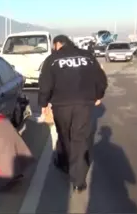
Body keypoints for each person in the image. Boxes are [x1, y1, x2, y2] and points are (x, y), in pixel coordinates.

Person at [38, 35, 108, 193]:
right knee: (79, 138)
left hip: (61, 105)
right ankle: (77, 180)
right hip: (84, 104)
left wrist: (43, 104)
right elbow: (101, 79)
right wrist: (98, 95)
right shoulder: (87, 57)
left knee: (64, 135)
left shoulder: (53, 59)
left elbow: (45, 83)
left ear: (57, 44)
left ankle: (66, 165)